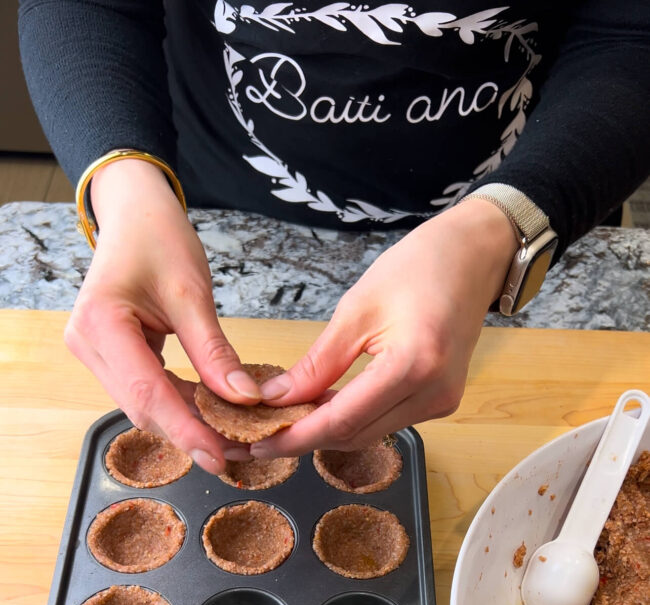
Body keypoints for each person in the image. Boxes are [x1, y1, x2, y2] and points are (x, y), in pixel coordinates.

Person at [18, 1, 650, 474]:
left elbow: (630, 30)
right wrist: (126, 191)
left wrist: (507, 223)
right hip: (218, 213)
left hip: (539, 193)